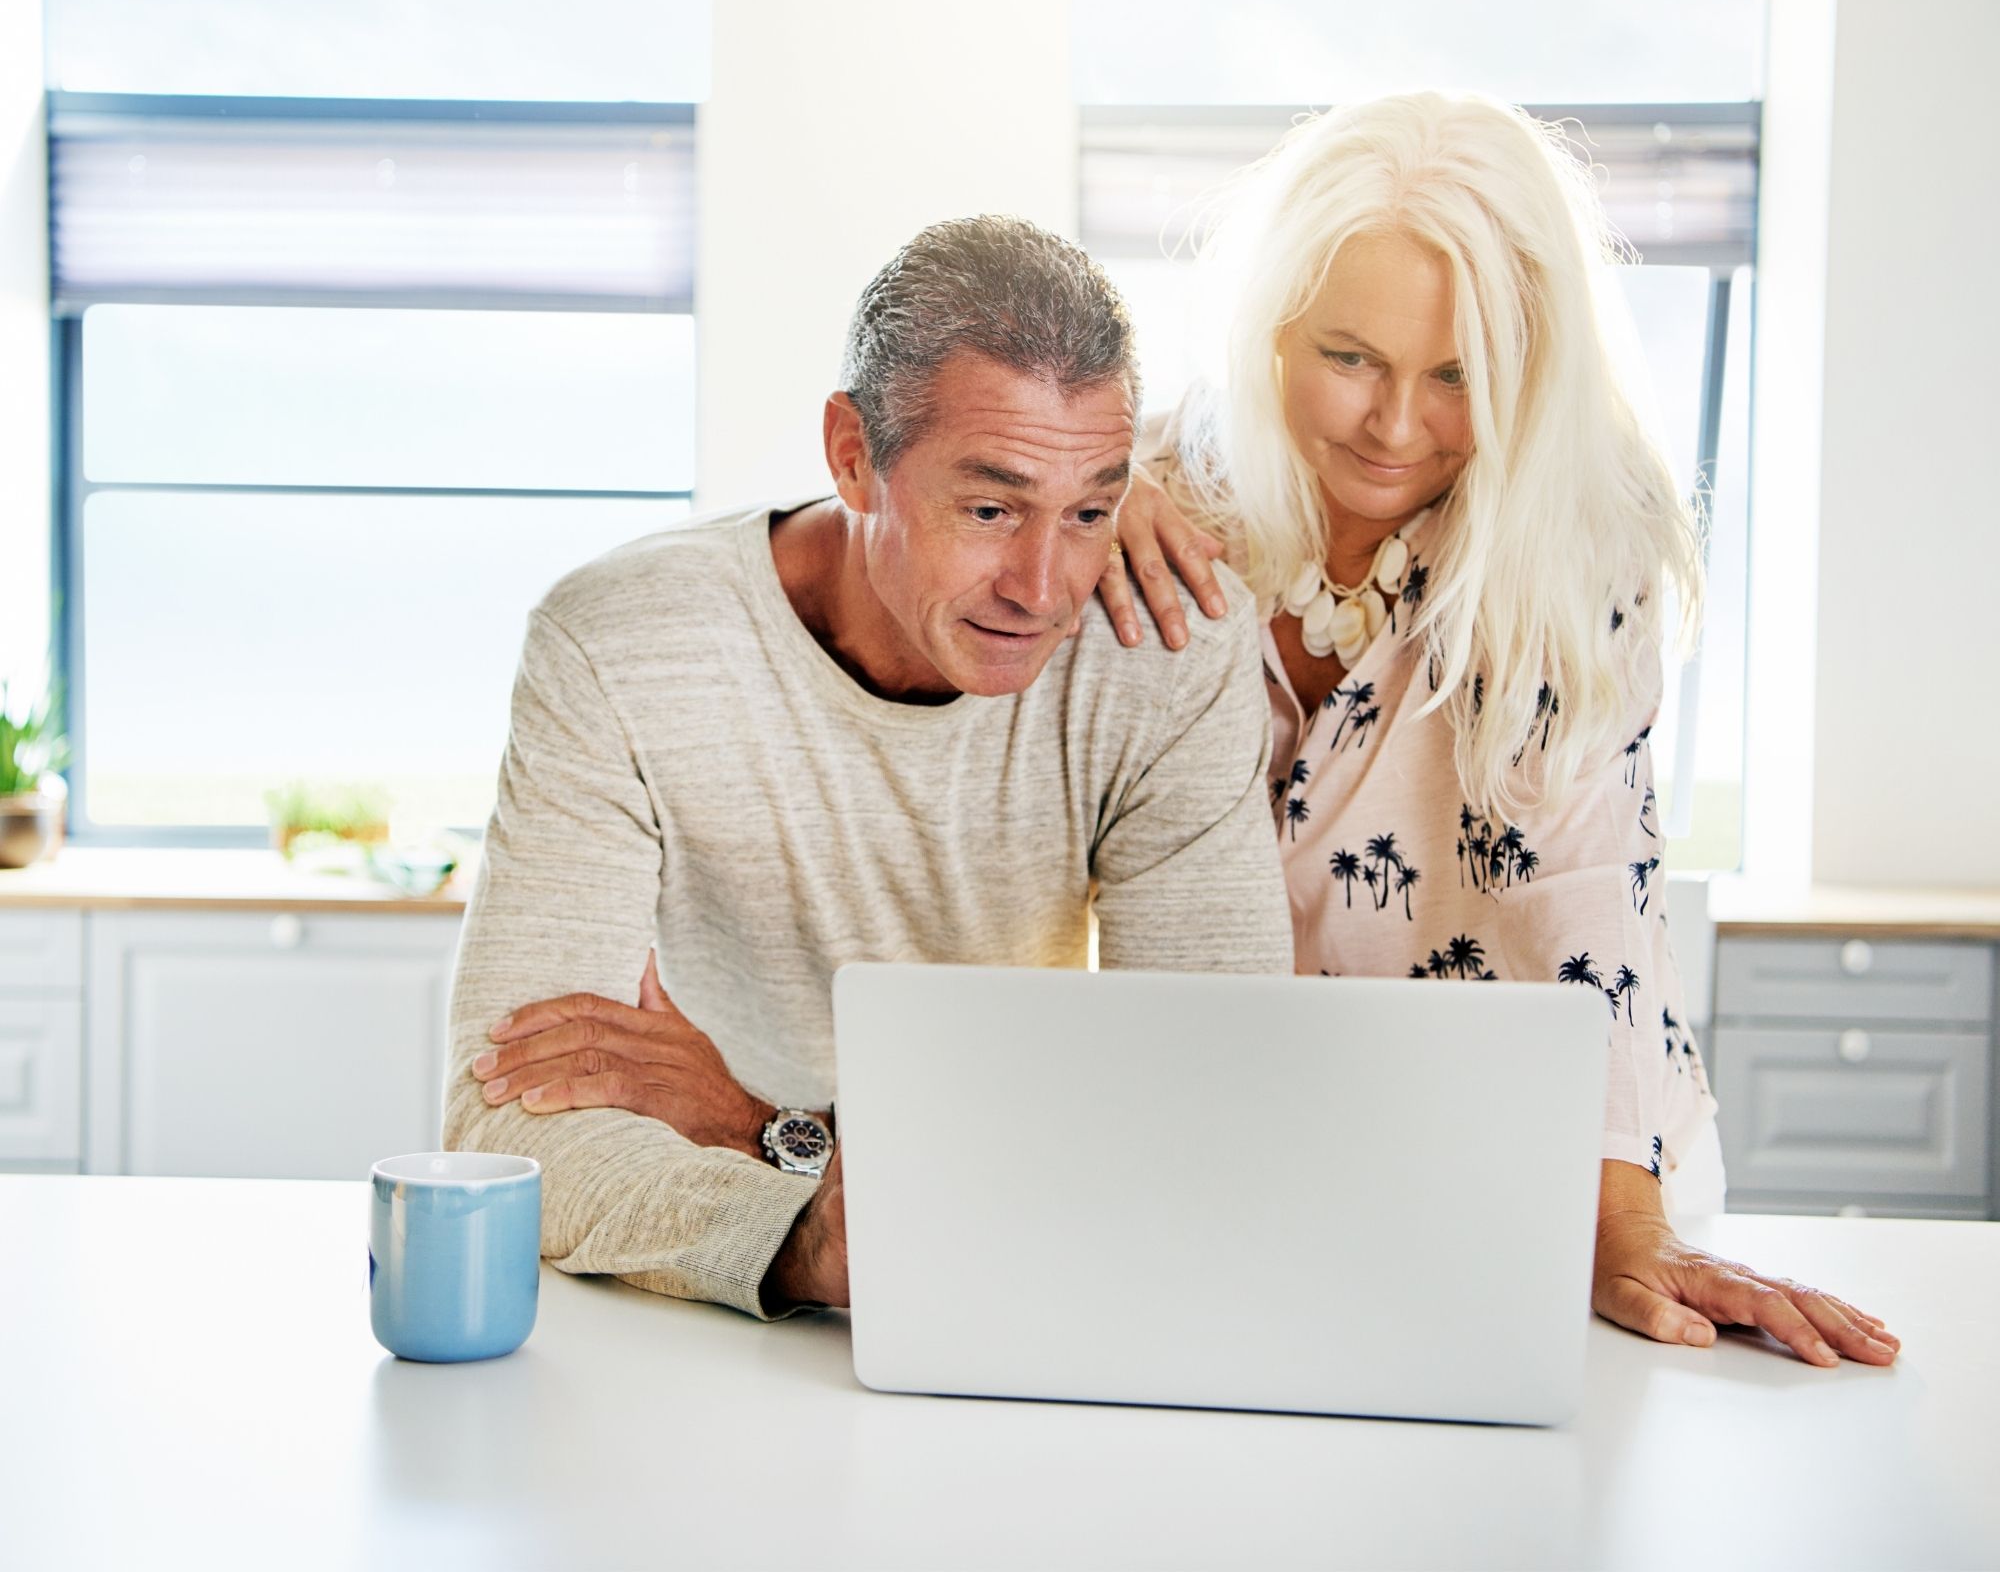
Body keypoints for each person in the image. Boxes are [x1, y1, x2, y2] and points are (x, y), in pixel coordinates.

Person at [1099, 92, 1900, 1368]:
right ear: (1270, 329)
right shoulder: (1134, 493)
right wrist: (1071, 507)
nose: (1394, 425)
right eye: (1348, 356)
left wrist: (1622, 1228)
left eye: (1458, 374)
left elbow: (1587, 881)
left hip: (1561, 1163)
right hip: (1239, 1149)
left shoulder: (1581, 528)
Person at [442, 215, 1294, 1318]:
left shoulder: (1162, 653)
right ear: (853, 455)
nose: (1042, 586)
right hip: (683, 1325)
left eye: (1087, 509)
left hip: (1020, 1297)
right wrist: (799, 1240)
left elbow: (1217, 1104)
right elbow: (505, 1125)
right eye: (989, 509)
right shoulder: (620, 642)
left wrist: (761, 1126)